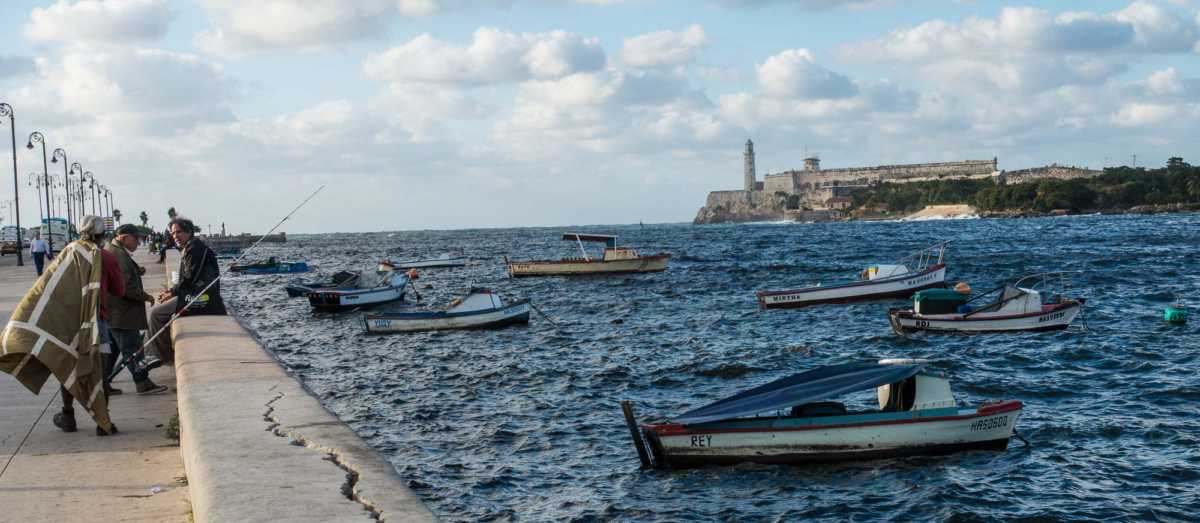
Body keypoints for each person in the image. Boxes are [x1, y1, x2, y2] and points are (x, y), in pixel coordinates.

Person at [0, 215, 118, 436]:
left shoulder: (69, 252)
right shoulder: (106, 258)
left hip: (69, 323)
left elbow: (46, 289)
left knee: (68, 366)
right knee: (99, 370)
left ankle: (68, 415)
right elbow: (119, 290)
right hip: (97, 323)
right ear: (103, 235)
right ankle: (104, 421)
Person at [147, 217, 226, 364]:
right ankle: (157, 354)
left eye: (179, 232)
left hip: (203, 299)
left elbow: (190, 277)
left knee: (156, 314)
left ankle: (163, 358)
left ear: (189, 232)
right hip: (195, 295)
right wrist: (172, 291)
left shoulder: (194, 249)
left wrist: (172, 292)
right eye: (173, 233)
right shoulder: (191, 246)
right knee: (159, 312)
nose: (175, 236)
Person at [105, 224, 168, 394]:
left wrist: (137, 270)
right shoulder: (118, 254)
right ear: (124, 237)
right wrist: (146, 297)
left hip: (113, 313)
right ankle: (142, 383)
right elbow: (125, 287)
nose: (139, 242)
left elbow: (120, 275)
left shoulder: (113, 250)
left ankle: (103, 384)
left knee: (111, 352)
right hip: (122, 313)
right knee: (133, 349)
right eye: (136, 239)